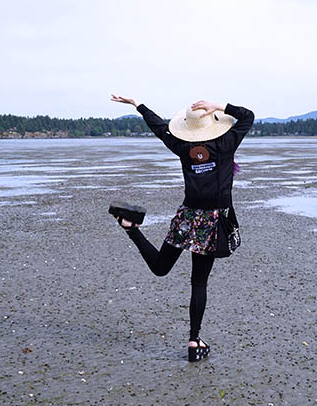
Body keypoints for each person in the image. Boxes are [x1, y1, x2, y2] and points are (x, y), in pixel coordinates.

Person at [109, 94, 255, 362]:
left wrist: (138, 105)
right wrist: (220, 106)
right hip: (211, 222)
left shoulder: (181, 146)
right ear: (213, 123)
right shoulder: (225, 143)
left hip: (187, 216)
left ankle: (130, 226)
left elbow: (159, 128)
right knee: (198, 281)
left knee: (161, 267)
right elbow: (248, 116)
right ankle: (194, 339)